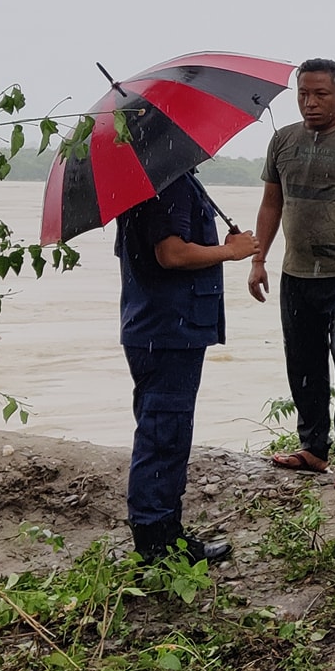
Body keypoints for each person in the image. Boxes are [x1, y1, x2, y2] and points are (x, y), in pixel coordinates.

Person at [249, 59, 335, 488]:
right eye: (303, 94)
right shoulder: (282, 141)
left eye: (320, 94)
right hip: (296, 274)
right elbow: (272, 203)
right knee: (303, 364)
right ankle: (313, 447)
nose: (310, 103)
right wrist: (259, 259)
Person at [115, 170, 257, 563]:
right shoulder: (169, 183)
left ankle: (166, 533)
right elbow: (171, 253)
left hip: (158, 327)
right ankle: (157, 544)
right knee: (164, 435)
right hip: (167, 329)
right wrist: (230, 252)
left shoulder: (144, 185)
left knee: (167, 433)